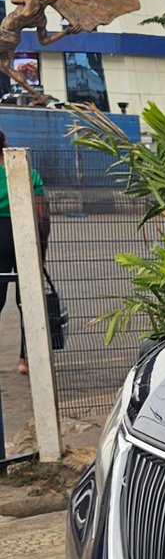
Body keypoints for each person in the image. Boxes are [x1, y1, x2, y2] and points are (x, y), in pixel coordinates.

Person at [0, 129, 49, 375]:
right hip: (24, 235)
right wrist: (41, 251)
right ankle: (25, 359)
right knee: (27, 301)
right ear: (5, 145)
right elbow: (42, 215)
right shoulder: (28, 172)